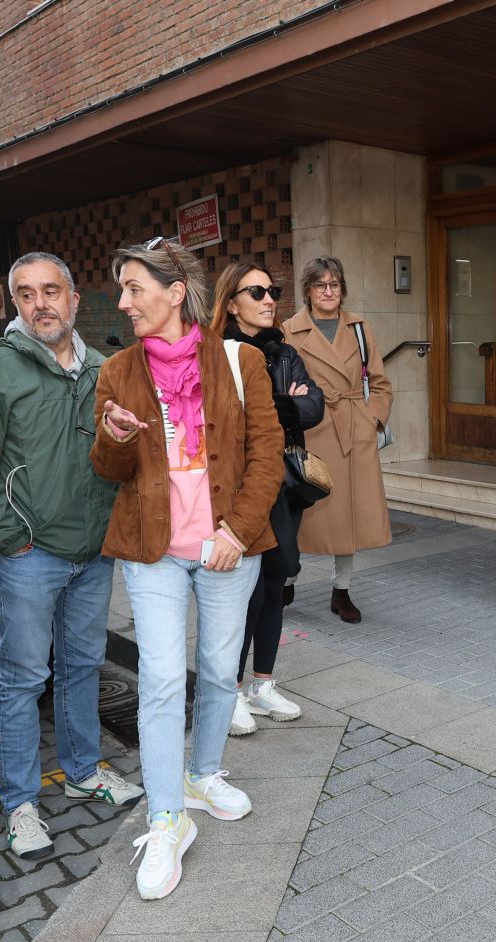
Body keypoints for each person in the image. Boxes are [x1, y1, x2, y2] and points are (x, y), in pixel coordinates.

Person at [91, 240, 283, 901]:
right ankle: (167, 818)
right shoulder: (116, 371)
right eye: (121, 289)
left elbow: (267, 455)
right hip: (154, 550)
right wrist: (114, 436)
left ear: (175, 293)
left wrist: (237, 530)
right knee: (165, 677)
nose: (123, 301)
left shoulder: (240, 361)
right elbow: (109, 470)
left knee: (221, 667)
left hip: (230, 544)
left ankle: (203, 774)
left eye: (134, 287)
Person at [0, 252, 142, 865]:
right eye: (28, 294)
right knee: (22, 678)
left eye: (52, 291)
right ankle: (20, 802)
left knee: (84, 665)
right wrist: (6, 536)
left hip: (92, 550)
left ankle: (85, 770)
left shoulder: (107, 370)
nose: (42, 304)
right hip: (28, 554)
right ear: (15, 304)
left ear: (75, 300)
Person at [209, 260, 324, 735]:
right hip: (240, 488)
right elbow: (224, 422)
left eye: (272, 290)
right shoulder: (216, 354)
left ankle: (262, 685)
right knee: (245, 591)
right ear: (230, 302)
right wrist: (284, 403)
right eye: (255, 292)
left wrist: (273, 404)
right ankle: (229, 692)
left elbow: (313, 406)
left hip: (285, 484)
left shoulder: (283, 352)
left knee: (276, 582)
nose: (269, 299)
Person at [283, 257, 392, 624]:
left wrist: (370, 420)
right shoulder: (288, 331)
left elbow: (379, 382)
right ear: (308, 290)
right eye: (320, 285)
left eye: (335, 284)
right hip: (311, 432)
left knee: (350, 518)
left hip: (352, 431)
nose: (329, 292)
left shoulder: (359, 327)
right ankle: (288, 576)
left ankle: (341, 590)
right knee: (302, 513)